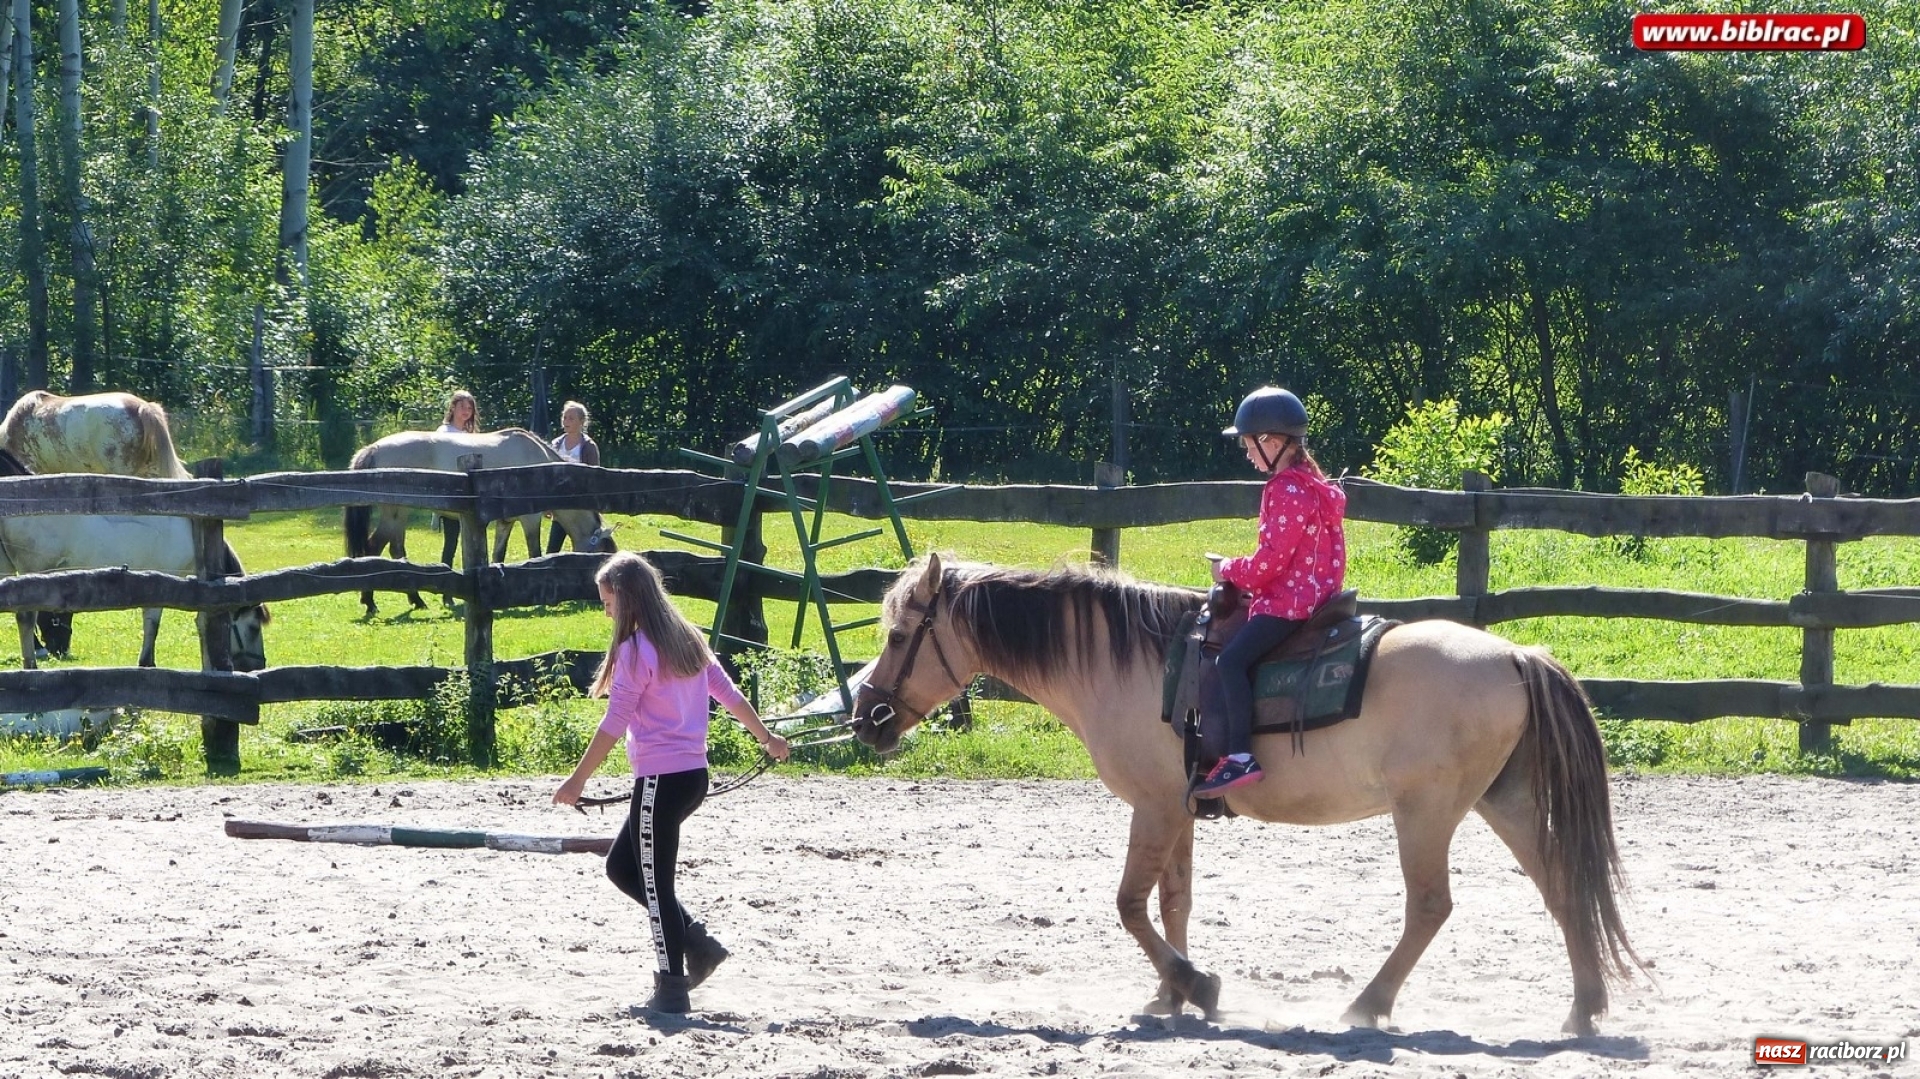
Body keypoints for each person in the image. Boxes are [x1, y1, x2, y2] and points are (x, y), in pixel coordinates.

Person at [552, 551, 791, 1014]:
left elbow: (614, 721)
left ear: (628, 599)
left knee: (656, 884)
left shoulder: (635, 650)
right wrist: (767, 738)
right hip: (692, 778)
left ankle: (671, 987)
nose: (605, 611)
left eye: (607, 602)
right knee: (622, 868)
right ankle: (697, 943)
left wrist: (578, 780)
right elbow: (729, 694)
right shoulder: (687, 639)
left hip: (661, 780)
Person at [1192, 386, 1347, 797]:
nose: (1247, 454)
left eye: (1249, 445)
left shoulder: (1284, 489)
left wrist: (1225, 568)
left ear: (1271, 442)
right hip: (1319, 596)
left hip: (1288, 605)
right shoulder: (1316, 486)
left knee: (1230, 662)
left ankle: (1241, 757)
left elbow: (1269, 563)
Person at [546, 400, 602, 554]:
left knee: (585, 549)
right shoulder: (555, 445)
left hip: (581, 510)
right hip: (560, 510)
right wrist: (547, 503)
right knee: (552, 551)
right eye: (564, 417)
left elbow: (594, 479)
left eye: (571, 418)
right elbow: (548, 477)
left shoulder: (589, 447)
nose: (566, 421)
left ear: (581, 421)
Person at [436, 390, 482, 567]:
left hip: (470, 494)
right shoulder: (444, 432)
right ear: (453, 408)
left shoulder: (471, 435)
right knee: (451, 541)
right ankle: (445, 576)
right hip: (452, 492)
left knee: (471, 541)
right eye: (463, 407)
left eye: (469, 408)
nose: (466, 411)